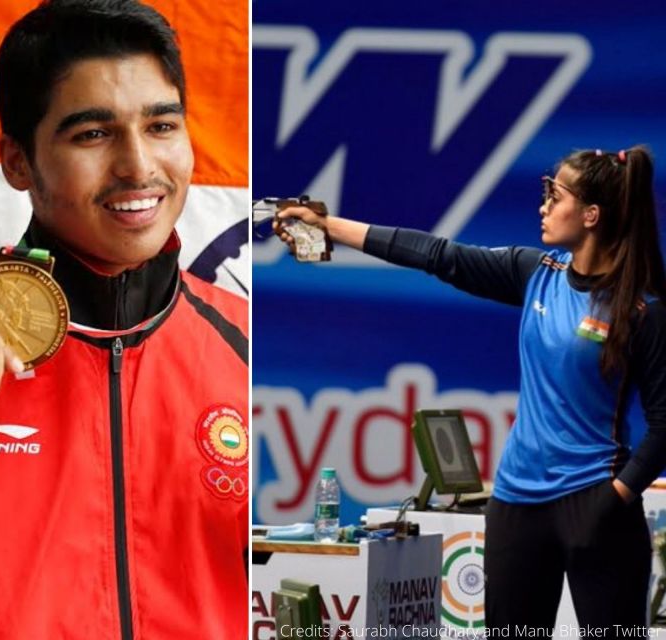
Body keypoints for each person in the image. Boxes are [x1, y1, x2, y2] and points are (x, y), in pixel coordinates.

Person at [0, 1, 248, 638]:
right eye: (92, 134)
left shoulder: (247, 348)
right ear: (18, 162)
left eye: (161, 126)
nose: (138, 167)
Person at [274, 146, 666, 635]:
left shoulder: (643, 309)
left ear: (591, 215)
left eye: (554, 195)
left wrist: (615, 499)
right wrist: (328, 226)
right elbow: (438, 255)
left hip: (596, 505)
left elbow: (665, 422)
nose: (542, 206)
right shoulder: (537, 273)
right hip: (516, 504)